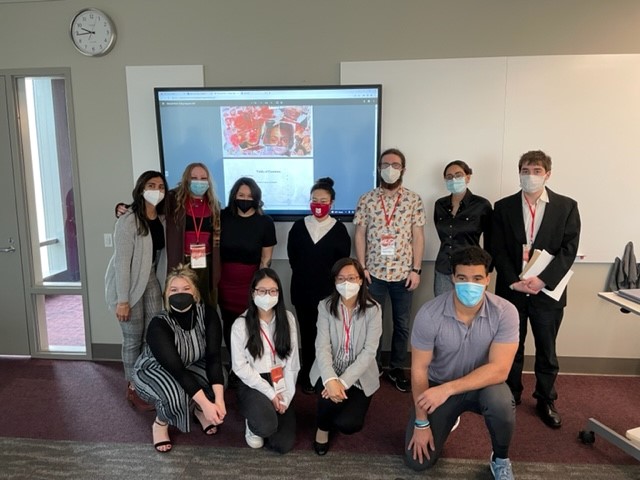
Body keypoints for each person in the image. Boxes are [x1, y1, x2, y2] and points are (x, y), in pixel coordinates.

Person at [405, 246, 519, 479]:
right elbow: (418, 369)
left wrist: (448, 390)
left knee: (501, 404)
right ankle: (447, 417)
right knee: (418, 462)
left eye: (477, 278)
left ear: (488, 279)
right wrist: (421, 423)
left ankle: (500, 458)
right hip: (439, 384)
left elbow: (500, 369)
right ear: (453, 279)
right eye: (462, 278)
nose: (470, 284)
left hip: (482, 386)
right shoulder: (429, 314)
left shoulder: (506, 312)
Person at [492, 150, 580, 429]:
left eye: (537, 171)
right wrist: (512, 280)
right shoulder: (503, 207)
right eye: (526, 170)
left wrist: (542, 280)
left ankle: (545, 398)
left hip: (547, 291)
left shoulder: (566, 206)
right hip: (513, 289)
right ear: (519, 173)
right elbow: (496, 247)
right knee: (511, 346)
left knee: (546, 348)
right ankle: (511, 393)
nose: (530, 176)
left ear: (548, 174)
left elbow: (569, 250)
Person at [132, 264, 226, 453]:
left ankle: (199, 410)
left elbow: (214, 358)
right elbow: (178, 371)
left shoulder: (207, 314)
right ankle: (160, 423)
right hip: (154, 369)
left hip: (190, 364)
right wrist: (208, 403)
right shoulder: (159, 324)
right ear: (166, 294)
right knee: (176, 395)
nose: (179, 294)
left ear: (195, 293)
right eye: (173, 290)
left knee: (221, 375)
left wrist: (219, 399)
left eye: (186, 288)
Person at [354, 147, 426, 392]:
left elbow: (418, 236)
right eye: (385, 164)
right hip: (373, 273)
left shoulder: (413, 200)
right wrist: (361, 267)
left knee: (402, 323)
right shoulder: (366, 199)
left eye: (395, 165)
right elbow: (360, 233)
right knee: (373, 323)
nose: (390, 169)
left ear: (403, 169)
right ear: (378, 168)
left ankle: (396, 367)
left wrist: (417, 269)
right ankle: (372, 366)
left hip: (403, 275)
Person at [117, 163, 222, 307]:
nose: (199, 181)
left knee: (205, 304)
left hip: (205, 262)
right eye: (194, 178)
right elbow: (149, 207)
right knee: (180, 304)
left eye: (203, 178)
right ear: (186, 179)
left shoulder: (214, 205)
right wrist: (124, 208)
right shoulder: (172, 199)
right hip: (180, 262)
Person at [105, 170, 168, 411]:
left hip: (151, 278)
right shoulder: (128, 220)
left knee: (151, 335)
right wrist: (123, 300)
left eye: (161, 186)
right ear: (141, 188)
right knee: (132, 339)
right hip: (128, 282)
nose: (157, 190)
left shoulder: (161, 217)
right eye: (151, 185)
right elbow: (122, 263)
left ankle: (147, 380)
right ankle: (132, 386)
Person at [309, 257, 382, 456]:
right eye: (341, 279)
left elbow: (369, 352)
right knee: (327, 396)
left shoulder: (374, 309)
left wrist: (342, 382)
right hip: (329, 367)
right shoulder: (324, 306)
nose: (346, 283)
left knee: (349, 424)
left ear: (360, 280)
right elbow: (322, 346)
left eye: (352, 277)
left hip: (359, 375)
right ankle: (322, 429)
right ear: (334, 281)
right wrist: (331, 379)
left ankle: (339, 406)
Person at [287, 177, 351, 393]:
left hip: (328, 293)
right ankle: (307, 375)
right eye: (314, 200)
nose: (318, 204)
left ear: (331, 203)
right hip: (303, 290)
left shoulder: (339, 229)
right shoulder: (298, 226)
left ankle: (325, 374)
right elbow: (293, 258)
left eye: (323, 200)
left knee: (326, 336)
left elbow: (342, 264)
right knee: (306, 333)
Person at [231, 268, 300, 453]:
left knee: (282, 445)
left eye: (272, 291)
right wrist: (270, 394)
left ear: (279, 293)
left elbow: (293, 365)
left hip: (280, 379)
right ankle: (253, 421)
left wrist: (285, 398)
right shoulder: (241, 324)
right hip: (253, 381)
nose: (267, 295)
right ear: (253, 292)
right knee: (265, 427)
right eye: (262, 290)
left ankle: (267, 413)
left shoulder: (288, 319)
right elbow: (240, 368)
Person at [219, 177, 276, 364]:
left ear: (257, 198)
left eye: (249, 196)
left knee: (253, 325)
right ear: (234, 195)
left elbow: (265, 259)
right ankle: (235, 366)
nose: (245, 199)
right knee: (229, 325)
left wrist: (259, 288)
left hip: (251, 284)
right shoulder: (222, 217)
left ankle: (253, 365)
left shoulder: (265, 222)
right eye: (241, 195)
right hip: (225, 284)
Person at [433, 160, 492, 296]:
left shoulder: (482, 205)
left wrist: (487, 270)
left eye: (458, 175)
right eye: (449, 177)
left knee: (471, 309)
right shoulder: (439, 205)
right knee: (443, 309)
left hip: (471, 270)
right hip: (444, 268)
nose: (453, 179)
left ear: (468, 177)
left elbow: (490, 241)